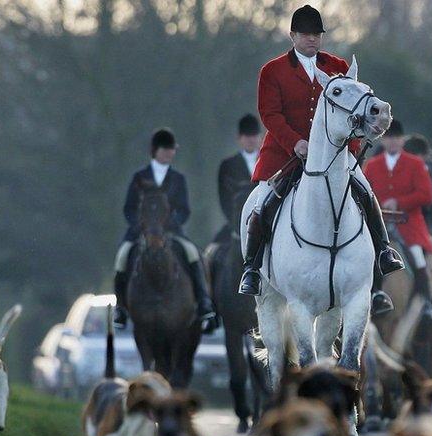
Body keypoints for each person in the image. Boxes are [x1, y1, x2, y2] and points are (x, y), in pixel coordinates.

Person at [238, 4, 404, 303]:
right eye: (305, 34)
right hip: (286, 154)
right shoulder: (272, 70)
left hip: (335, 154)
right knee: (262, 204)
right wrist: (295, 143)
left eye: (316, 34)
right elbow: (270, 114)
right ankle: (251, 268)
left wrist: (351, 147)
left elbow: (353, 112)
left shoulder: (337, 66)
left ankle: (383, 253)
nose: (312, 39)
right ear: (292, 35)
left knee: (365, 192)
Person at [112, 128, 217, 332]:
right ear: (155, 151)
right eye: (166, 149)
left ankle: (204, 302)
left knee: (193, 254)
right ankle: (121, 308)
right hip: (141, 233)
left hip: (171, 232)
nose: (170, 153)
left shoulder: (178, 178)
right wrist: (141, 228)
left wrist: (169, 226)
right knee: (122, 257)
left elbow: (184, 210)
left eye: (172, 149)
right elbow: (129, 208)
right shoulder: (139, 177)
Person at [363, 120, 432, 318]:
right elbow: (365, 194)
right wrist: (380, 204)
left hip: (408, 224)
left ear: (402, 140)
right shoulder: (372, 165)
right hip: (380, 224)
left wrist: (399, 202)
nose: (393, 141)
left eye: (396, 138)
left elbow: (426, 195)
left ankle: (426, 301)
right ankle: (376, 293)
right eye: (388, 138)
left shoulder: (415, 163)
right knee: (365, 256)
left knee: (417, 258)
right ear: (383, 140)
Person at [214, 114, 262, 244]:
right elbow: (224, 199)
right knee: (212, 252)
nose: (251, 140)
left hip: (266, 219)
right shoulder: (227, 165)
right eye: (247, 136)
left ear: (259, 138)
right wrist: (235, 222)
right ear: (239, 138)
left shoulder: (269, 162)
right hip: (236, 221)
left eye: (254, 136)